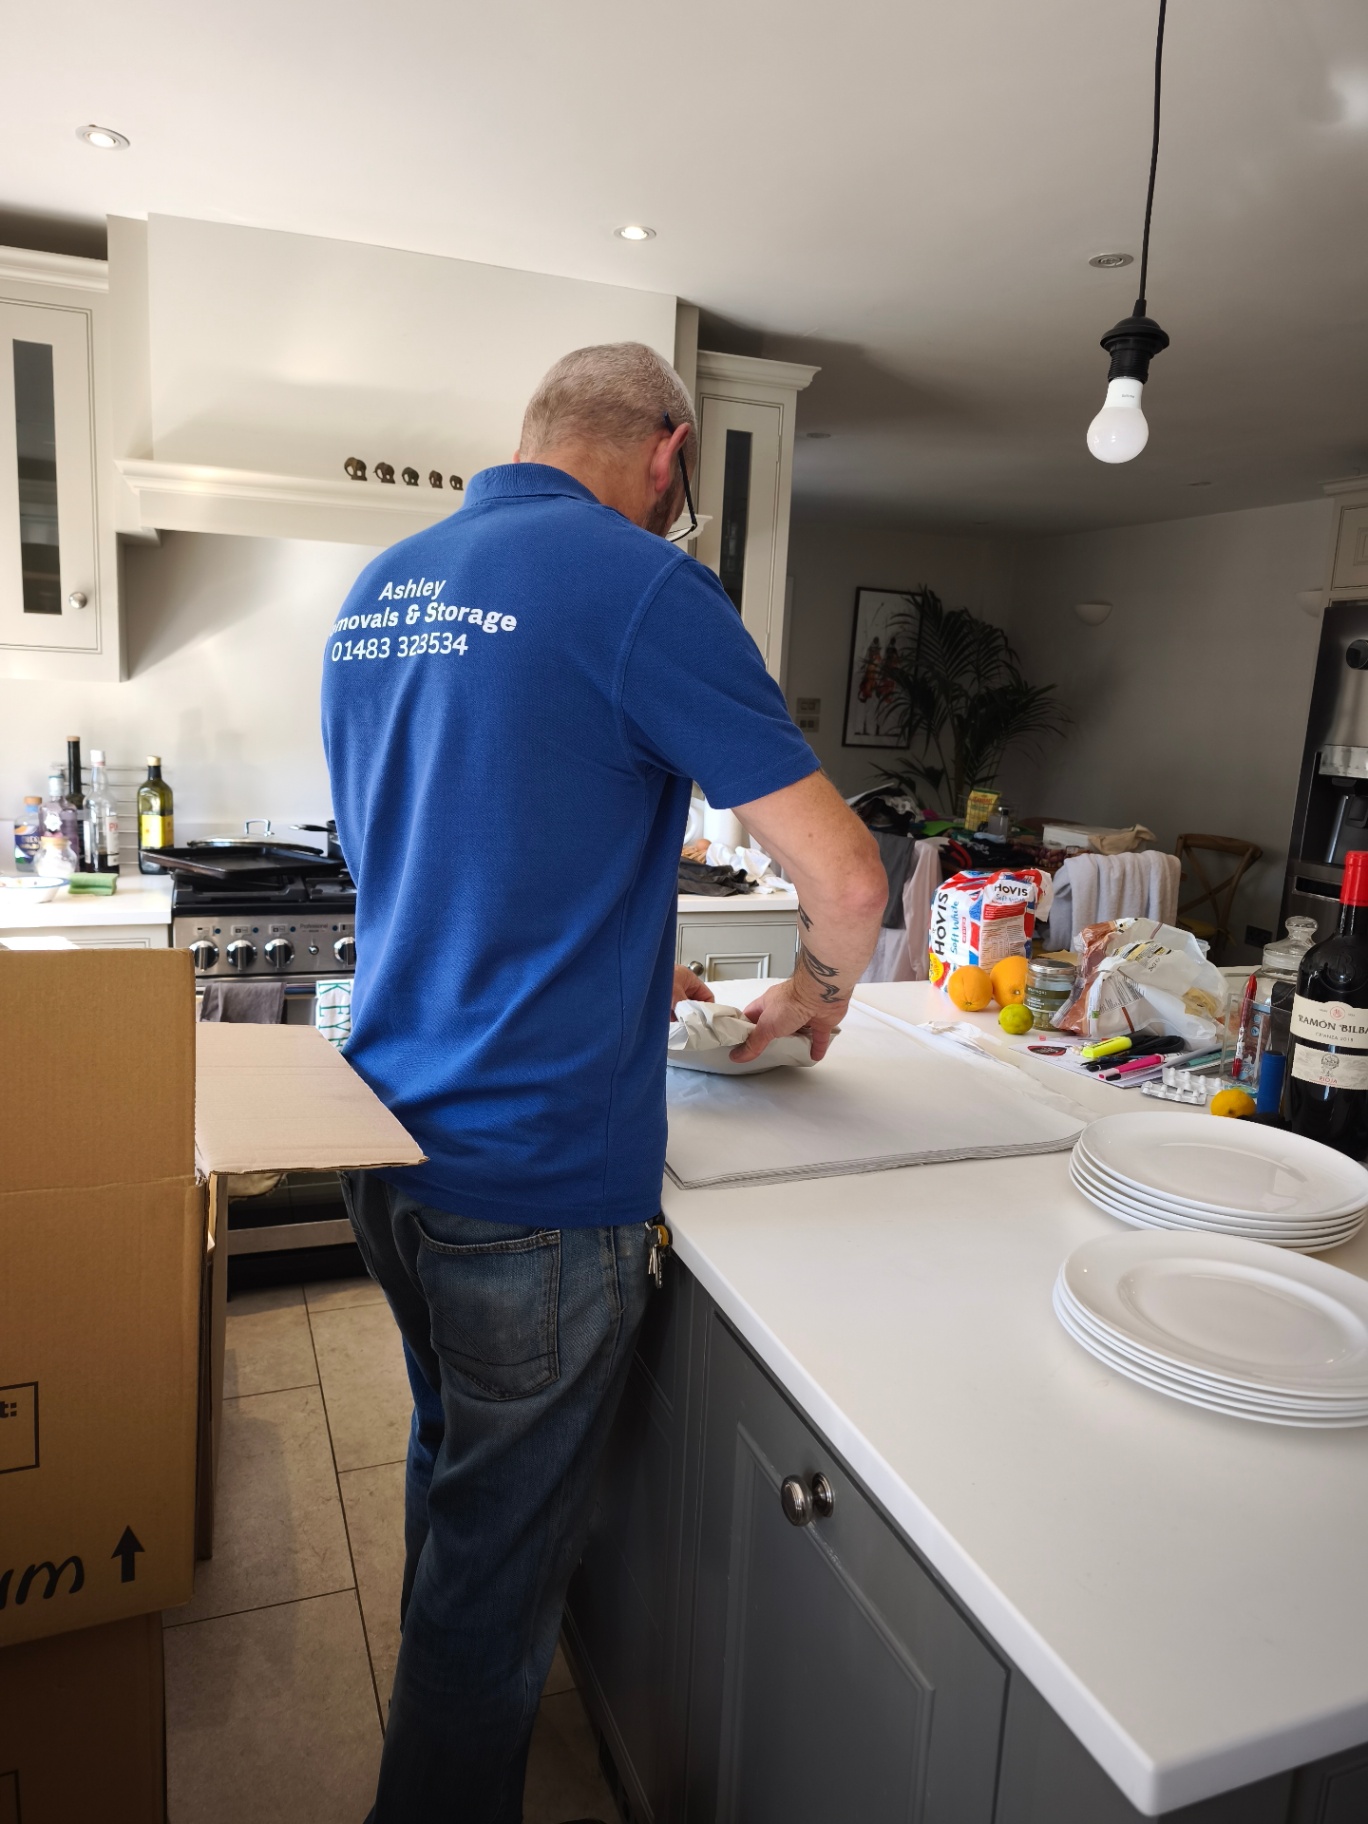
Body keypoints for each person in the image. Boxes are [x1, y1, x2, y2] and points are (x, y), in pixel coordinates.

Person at [321, 341, 885, 1823]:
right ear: (671, 454)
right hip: (529, 1179)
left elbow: (462, 862)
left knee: (455, 1476)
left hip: (382, 1144)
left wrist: (642, 976)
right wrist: (814, 997)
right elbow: (846, 876)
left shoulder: (381, 592)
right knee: (494, 1598)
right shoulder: (643, 586)